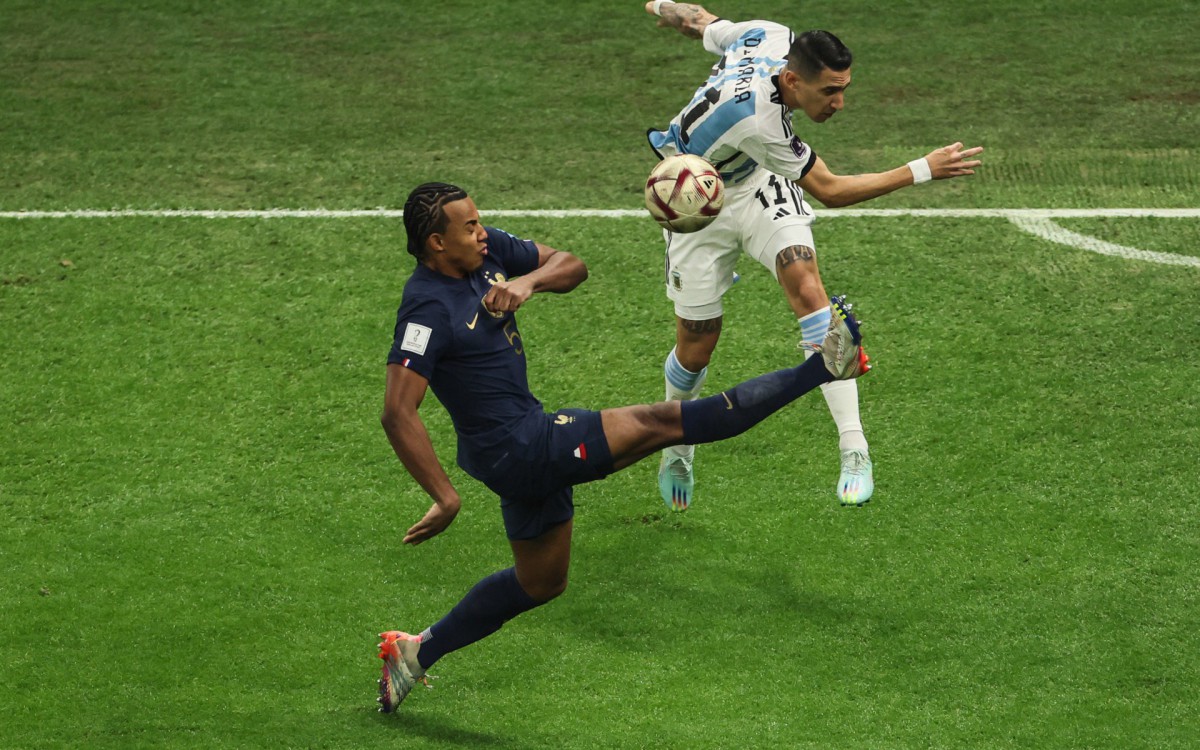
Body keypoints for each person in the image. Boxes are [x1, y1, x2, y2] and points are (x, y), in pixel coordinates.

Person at [375, 181, 870, 712]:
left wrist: (527, 283)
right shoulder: (426, 309)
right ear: (437, 243)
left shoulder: (486, 251)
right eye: (469, 226)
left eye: (479, 221)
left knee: (541, 582)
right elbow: (398, 412)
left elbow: (572, 265)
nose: (481, 231)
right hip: (521, 447)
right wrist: (445, 497)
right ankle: (823, 366)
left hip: (519, 445)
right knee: (664, 423)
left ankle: (415, 652)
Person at [643, 1, 983, 509]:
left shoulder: (767, 33)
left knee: (808, 289)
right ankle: (676, 441)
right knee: (696, 345)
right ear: (792, 80)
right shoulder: (759, 122)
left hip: (758, 181)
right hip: (695, 200)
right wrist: (923, 169)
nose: (839, 103)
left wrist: (666, 7)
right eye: (829, 92)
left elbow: (704, 24)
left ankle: (854, 448)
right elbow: (831, 190)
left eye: (844, 88)